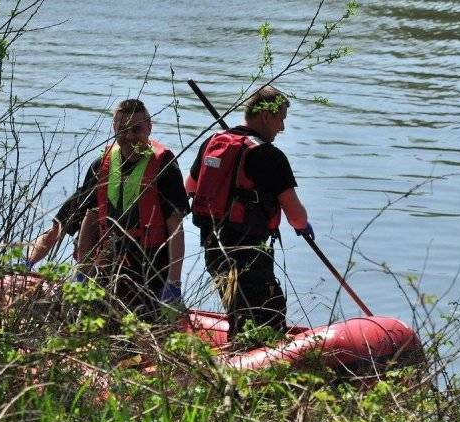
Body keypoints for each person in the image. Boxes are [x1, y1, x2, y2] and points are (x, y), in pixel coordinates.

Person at [28, 99, 189, 319]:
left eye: (136, 129)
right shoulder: (101, 166)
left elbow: (176, 229)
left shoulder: (164, 168)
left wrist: (173, 283)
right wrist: (77, 272)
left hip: (151, 271)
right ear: (114, 129)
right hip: (108, 266)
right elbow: (75, 220)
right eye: (122, 129)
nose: (130, 136)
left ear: (149, 127)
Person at [186, 85, 314, 336]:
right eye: (281, 119)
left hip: (214, 249)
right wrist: (303, 227)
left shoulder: (214, 142)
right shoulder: (269, 155)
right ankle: (250, 367)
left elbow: (190, 187)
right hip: (250, 253)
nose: (282, 128)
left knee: (238, 310)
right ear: (266, 116)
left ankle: (237, 360)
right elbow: (296, 215)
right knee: (267, 318)